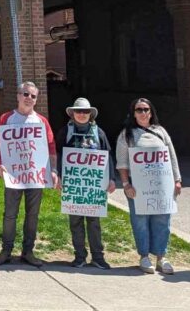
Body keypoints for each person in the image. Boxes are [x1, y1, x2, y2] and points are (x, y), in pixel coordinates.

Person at [0, 81, 58, 267]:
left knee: (32, 214)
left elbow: (51, 148)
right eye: (26, 94)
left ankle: (28, 251)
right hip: (13, 175)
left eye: (33, 96)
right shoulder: (6, 119)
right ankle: (6, 251)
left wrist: (53, 170)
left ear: (36, 100)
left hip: (36, 176)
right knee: (10, 214)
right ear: (18, 96)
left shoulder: (41, 121)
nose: (29, 98)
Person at [116, 98, 182, 275]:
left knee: (163, 219)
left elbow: (172, 156)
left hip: (162, 185)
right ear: (133, 113)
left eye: (146, 109)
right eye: (139, 110)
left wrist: (177, 179)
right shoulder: (126, 135)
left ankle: (161, 256)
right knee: (140, 221)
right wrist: (125, 184)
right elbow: (122, 163)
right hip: (137, 187)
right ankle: (144, 256)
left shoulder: (161, 131)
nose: (143, 113)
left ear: (151, 112)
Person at [56, 97, 116, 270]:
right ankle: (79, 256)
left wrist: (111, 178)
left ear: (91, 114)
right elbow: (58, 155)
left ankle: (98, 257)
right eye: (78, 111)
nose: (82, 114)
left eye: (85, 112)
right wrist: (58, 176)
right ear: (72, 113)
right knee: (75, 222)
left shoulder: (99, 133)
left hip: (93, 187)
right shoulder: (65, 132)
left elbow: (107, 156)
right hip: (74, 186)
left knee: (94, 222)